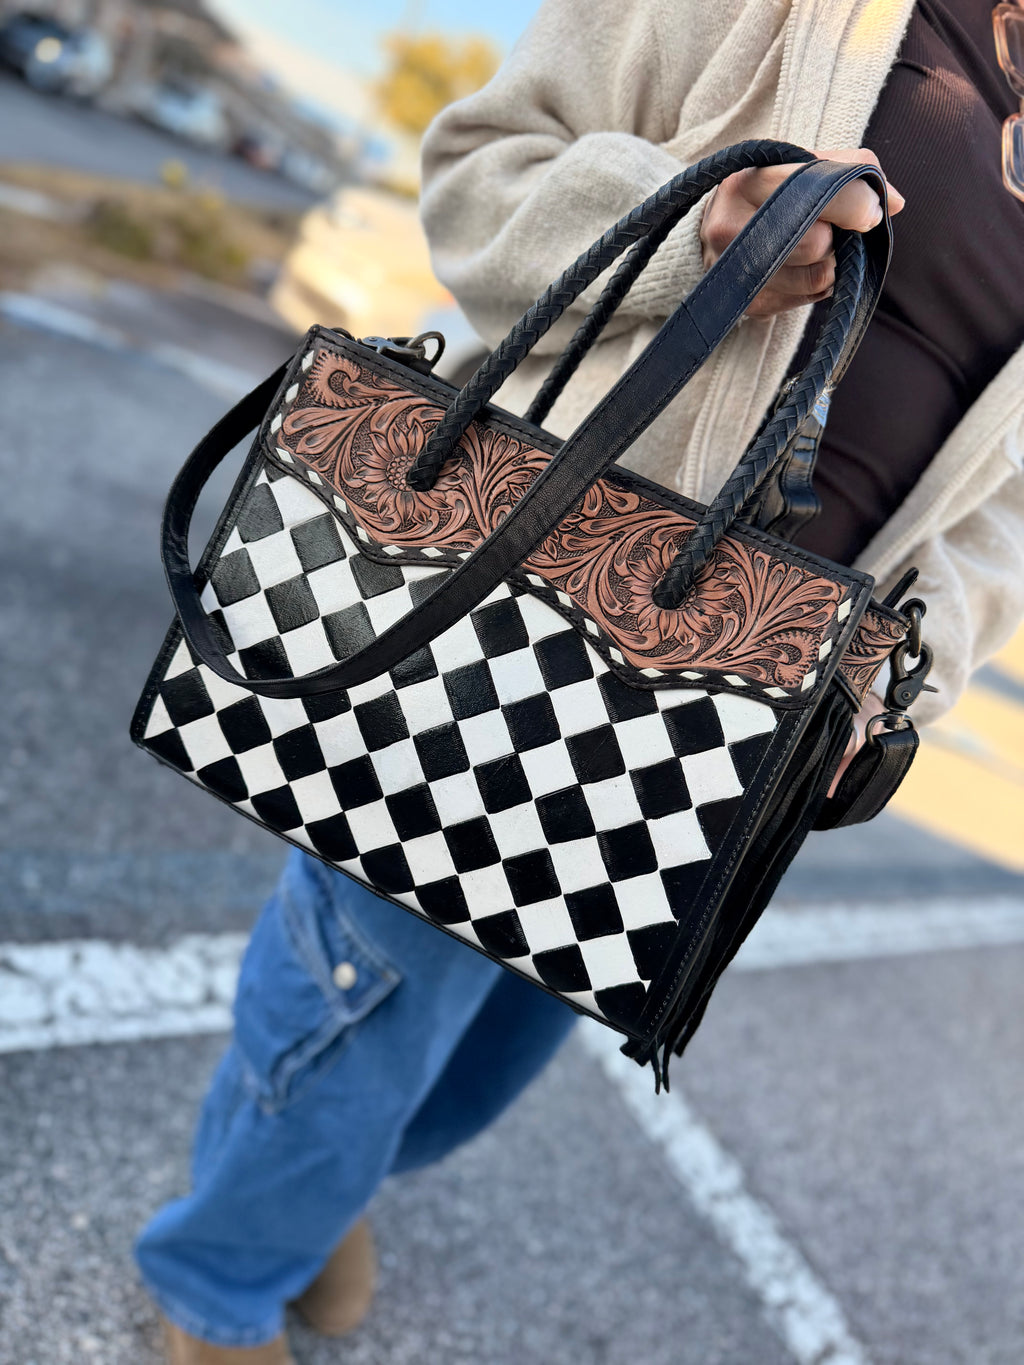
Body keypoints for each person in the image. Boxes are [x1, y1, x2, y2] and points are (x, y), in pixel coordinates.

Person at [136, 1, 1024, 1360]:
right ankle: (217, 1280)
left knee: (504, 1040)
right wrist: (703, 228)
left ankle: (319, 1185)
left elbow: (1000, 502)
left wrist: (913, 664)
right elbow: (480, 165)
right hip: (530, 572)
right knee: (371, 984)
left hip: (759, 687)